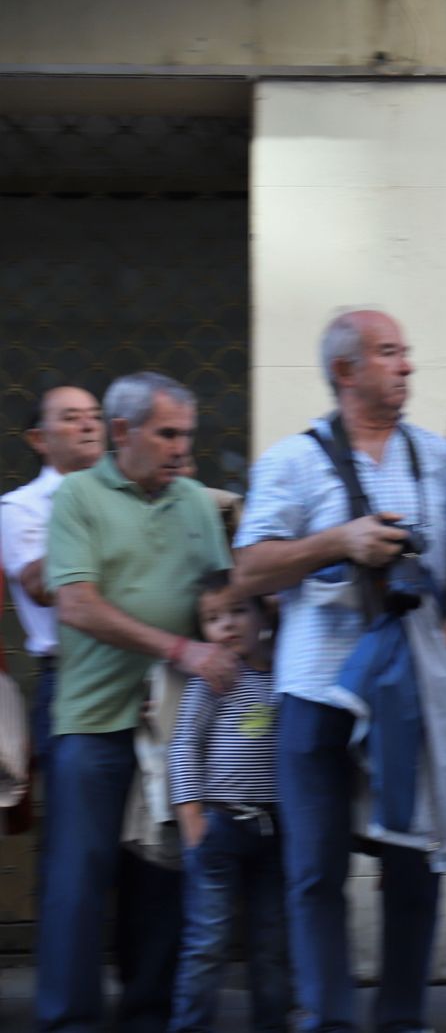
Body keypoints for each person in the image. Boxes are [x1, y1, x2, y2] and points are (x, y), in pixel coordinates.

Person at [233, 308, 446, 1033]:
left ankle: (402, 1019)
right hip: (315, 686)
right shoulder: (290, 461)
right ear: (345, 372)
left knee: (411, 861)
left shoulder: (437, 458)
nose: (407, 365)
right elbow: (250, 566)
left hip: (410, 688)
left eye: (405, 353)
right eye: (388, 353)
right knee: (316, 869)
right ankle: (329, 1018)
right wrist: (340, 540)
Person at [37, 372, 237, 1033]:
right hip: (93, 721)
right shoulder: (78, 495)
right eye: (168, 433)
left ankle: (150, 1016)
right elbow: (76, 602)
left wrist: (231, 616)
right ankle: (70, 1021)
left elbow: (217, 596)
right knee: (79, 883)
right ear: (123, 434)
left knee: (162, 877)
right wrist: (181, 651)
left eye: (188, 434)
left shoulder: (195, 504)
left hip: (175, 727)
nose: (183, 448)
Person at [168, 571, 289, 1032]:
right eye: (213, 618)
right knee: (206, 943)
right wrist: (191, 815)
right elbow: (183, 746)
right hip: (220, 827)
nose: (228, 625)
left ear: (264, 614)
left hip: (274, 831)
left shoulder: (283, 673)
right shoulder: (212, 680)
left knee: (271, 944)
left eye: (239, 611)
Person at [1, 385, 106, 771]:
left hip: (143, 674)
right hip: (70, 679)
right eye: (70, 417)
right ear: (38, 439)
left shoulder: (128, 495)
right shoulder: (19, 508)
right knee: (74, 820)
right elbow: (41, 586)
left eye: (94, 415)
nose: (88, 425)